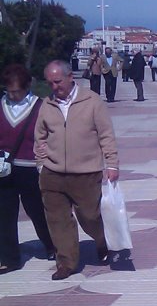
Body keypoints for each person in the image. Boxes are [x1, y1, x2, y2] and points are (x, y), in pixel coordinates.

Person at [35, 60, 119, 280]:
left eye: (58, 82)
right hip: (52, 174)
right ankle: (66, 262)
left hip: (86, 172)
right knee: (57, 219)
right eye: (50, 83)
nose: (54, 87)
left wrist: (111, 164)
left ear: (70, 76)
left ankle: (102, 242)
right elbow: (39, 137)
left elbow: (106, 135)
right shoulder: (47, 104)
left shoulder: (92, 101)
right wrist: (41, 164)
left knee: (90, 216)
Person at [0, 64, 55, 273]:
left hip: (31, 168)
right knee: (4, 214)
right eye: (9, 91)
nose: (13, 95)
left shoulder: (41, 107)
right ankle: (9, 257)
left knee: (38, 210)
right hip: (4, 169)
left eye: (17, 91)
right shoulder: (1, 105)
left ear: (27, 86)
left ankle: (52, 245)